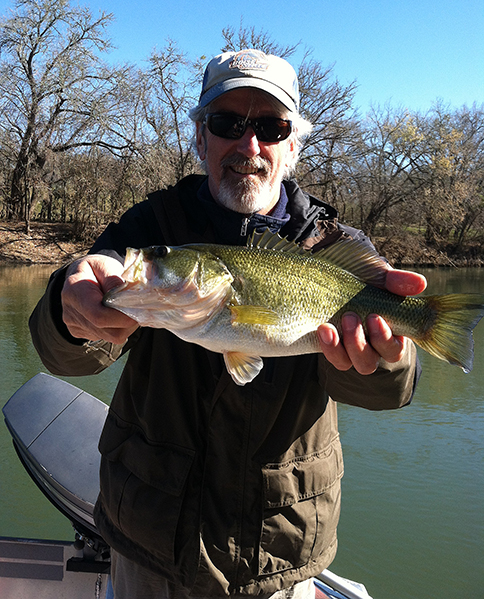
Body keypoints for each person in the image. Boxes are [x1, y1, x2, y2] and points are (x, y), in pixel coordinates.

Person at [29, 49, 425, 599]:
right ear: (201, 138)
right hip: (148, 540)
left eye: (269, 126)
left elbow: (388, 388)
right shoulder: (150, 229)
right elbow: (69, 354)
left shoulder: (338, 249)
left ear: (292, 146)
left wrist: (388, 358)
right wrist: (68, 312)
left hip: (278, 554)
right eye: (227, 124)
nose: (248, 145)